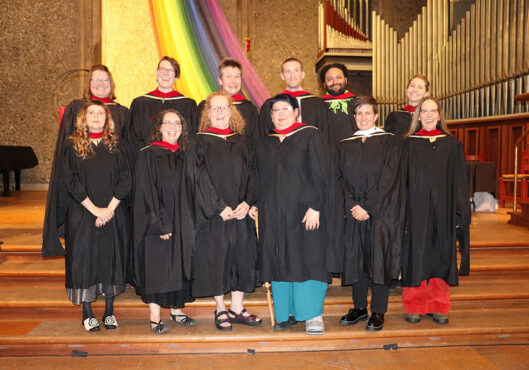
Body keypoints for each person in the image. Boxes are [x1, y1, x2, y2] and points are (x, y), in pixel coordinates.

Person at [251, 93, 332, 335]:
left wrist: (316, 206)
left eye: (286, 108)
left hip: (304, 212)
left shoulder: (310, 135)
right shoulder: (265, 142)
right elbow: (257, 176)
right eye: (276, 110)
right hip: (273, 213)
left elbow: (321, 173)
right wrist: (255, 202)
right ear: (270, 115)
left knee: (307, 259)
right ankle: (284, 313)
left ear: (296, 112)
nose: (281, 113)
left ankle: (312, 315)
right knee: (278, 258)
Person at [185, 92, 261, 331]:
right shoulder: (199, 141)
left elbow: (252, 175)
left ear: (231, 111)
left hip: (240, 212)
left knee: (242, 256)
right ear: (207, 113)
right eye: (214, 108)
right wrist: (218, 207)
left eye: (224, 108)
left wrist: (248, 202)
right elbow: (197, 178)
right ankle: (220, 308)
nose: (219, 112)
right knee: (216, 258)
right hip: (214, 214)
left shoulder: (241, 141)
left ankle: (237, 307)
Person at [43, 64, 129, 258]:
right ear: (89, 84)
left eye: (105, 80)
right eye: (95, 80)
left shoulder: (123, 112)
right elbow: (67, 150)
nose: (100, 84)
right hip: (81, 190)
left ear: (111, 84)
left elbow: (126, 156)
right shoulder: (76, 107)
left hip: (112, 190)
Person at [60, 100, 131, 332]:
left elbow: (125, 179)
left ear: (107, 118)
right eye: (91, 113)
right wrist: (95, 211)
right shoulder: (73, 145)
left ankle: (109, 312)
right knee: (85, 260)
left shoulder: (117, 145)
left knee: (110, 259)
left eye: (100, 113)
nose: (96, 116)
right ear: (84, 118)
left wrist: (108, 210)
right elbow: (71, 182)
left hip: (113, 212)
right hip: (82, 214)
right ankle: (87, 313)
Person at [336, 96, 404, 331]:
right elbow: (339, 179)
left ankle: (378, 310)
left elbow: (390, 178)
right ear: (353, 118)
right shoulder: (345, 144)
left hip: (381, 213)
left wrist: (367, 206)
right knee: (356, 259)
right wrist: (352, 205)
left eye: (368, 113)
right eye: (359, 114)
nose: (363, 117)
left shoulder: (390, 142)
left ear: (376, 116)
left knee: (379, 260)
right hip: (353, 212)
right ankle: (358, 307)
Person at [402, 97, 471, 325]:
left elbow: (460, 181)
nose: (429, 115)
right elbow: (401, 181)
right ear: (418, 116)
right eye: (425, 111)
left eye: (433, 111)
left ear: (440, 115)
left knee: (442, 255)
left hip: (444, 209)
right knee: (416, 254)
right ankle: (414, 305)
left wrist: (461, 214)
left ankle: (439, 305)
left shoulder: (452, 144)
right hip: (415, 210)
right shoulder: (408, 144)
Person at [131, 109, 196, 334]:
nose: (172, 127)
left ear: (182, 128)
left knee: (178, 264)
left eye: (176, 123)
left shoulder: (186, 154)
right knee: (158, 267)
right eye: (167, 123)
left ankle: (177, 311)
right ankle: (155, 317)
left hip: (182, 221)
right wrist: (159, 222)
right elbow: (144, 192)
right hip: (158, 222)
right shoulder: (148, 155)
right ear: (159, 127)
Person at [127, 56, 198, 158]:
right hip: (147, 161)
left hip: (179, 162)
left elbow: (191, 139)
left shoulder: (188, 105)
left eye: (170, 70)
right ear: (156, 73)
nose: (165, 73)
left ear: (176, 76)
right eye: (162, 69)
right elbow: (132, 139)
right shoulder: (140, 104)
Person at [258, 58, 328, 141]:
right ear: (282, 76)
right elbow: (264, 136)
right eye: (288, 71)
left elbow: (324, 135)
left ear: (302, 74)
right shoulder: (270, 105)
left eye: (296, 70)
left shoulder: (317, 104)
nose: (292, 75)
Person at [198, 58, 259, 141]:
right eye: (228, 76)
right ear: (220, 80)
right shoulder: (205, 106)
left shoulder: (249, 108)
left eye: (237, 76)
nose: (233, 81)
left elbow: (255, 140)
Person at [320, 63, 357, 145]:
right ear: (324, 84)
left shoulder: (358, 104)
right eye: (330, 79)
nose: (335, 82)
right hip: (328, 153)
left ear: (346, 80)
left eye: (339, 77)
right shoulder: (319, 106)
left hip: (354, 152)